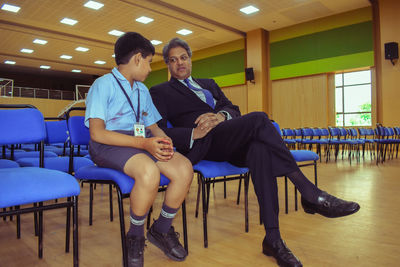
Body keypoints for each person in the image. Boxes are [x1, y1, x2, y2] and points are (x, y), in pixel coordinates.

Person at [149, 37, 360, 267]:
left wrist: (221, 116)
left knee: (260, 151)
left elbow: (233, 109)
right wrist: (193, 133)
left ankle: (273, 239)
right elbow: (157, 129)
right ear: (168, 65)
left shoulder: (208, 84)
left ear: (190, 59)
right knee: (259, 118)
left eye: (183, 57)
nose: (179, 63)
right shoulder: (160, 91)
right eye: (173, 60)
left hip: (228, 137)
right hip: (204, 144)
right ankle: (309, 193)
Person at [84, 33, 193, 267]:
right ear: (137, 58)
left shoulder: (143, 90)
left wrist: (165, 143)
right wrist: (144, 144)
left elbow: (153, 127)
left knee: (184, 168)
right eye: (149, 61)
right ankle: (135, 235)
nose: (150, 68)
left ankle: (161, 230)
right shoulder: (103, 85)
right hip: (107, 145)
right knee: (148, 172)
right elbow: (97, 133)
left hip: (138, 142)